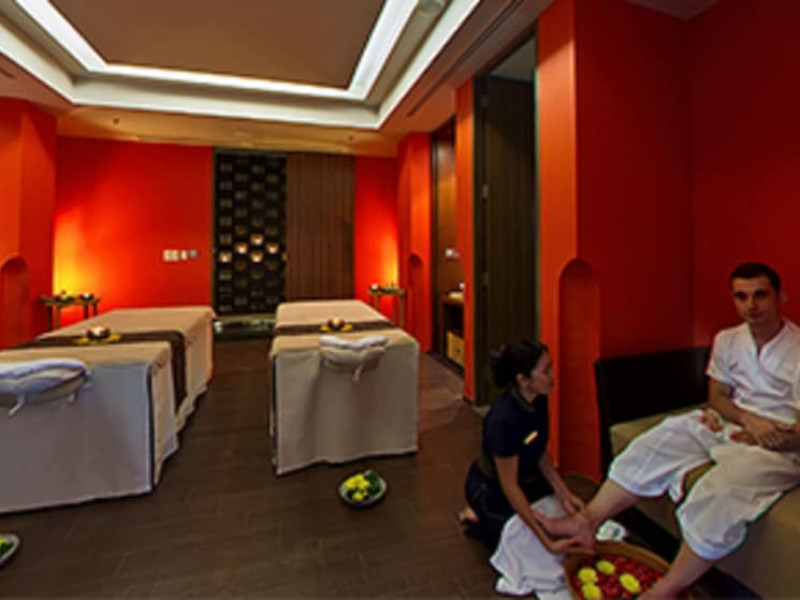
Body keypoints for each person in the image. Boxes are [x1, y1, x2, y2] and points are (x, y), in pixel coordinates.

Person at [536, 262, 800, 599]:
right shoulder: (728, 340)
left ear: (780, 297)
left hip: (779, 446)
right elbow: (717, 398)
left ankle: (668, 587)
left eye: (760, 295)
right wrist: (747, 420)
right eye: (741, 296)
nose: (751, 305)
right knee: (660, 440)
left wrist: (767, 435)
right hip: (732, 424)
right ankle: (588, 521)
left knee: (718, 492)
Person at [458, 338, 588, 556]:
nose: (553, 376)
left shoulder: (539, 400)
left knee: (563, 517)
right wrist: (548, 543)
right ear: (523, 379)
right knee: (528, 545)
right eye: (546, 371)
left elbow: (539, 452)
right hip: (493, 488)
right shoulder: (503, 419)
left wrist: (565, 494)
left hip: (525, 479)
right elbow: (509, 486)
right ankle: (479, 516)